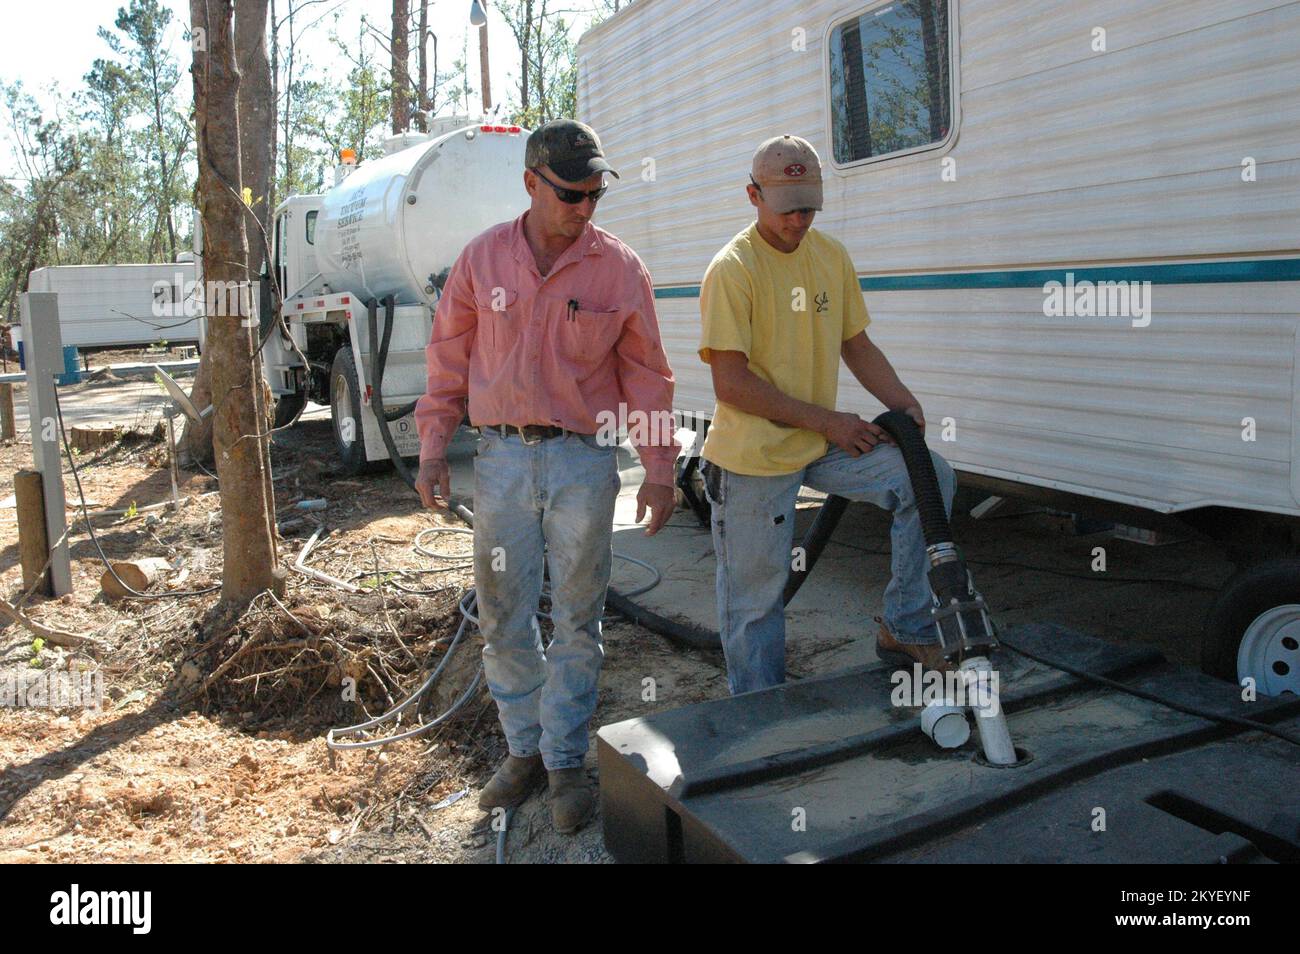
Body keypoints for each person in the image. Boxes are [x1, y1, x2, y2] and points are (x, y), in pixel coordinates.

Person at [414, 119, 678, 833]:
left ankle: (564, 761)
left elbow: (647, 377)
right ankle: (523, 750)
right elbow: (447, 359)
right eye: (570, 192)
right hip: (498, 460)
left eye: (595, 193)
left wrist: (660, 469)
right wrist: (434, 445)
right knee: (502, 616)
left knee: (578, 621)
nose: (585, 207)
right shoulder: (482, 261)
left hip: (583, 463)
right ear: (530, 183)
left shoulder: (618, 270)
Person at [697, 134, 957, 696]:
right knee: (757, 601)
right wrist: (829, 421)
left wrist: (901, 402)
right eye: (788, 208)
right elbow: (732, 382)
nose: (799, 220)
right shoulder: (733, 269)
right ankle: (758, 713)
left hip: (816, 442)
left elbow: (856, 345)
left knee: (929, 477)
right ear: (753, 195)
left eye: (809, 206)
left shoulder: (830, 256)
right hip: (753, 458)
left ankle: (905, 626)